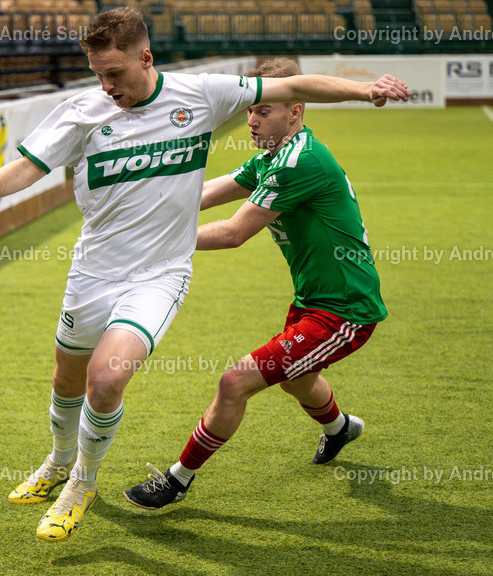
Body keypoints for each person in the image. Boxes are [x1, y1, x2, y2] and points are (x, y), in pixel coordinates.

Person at [0, 8, 408, 542]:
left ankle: (85, 484)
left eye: (115, 73)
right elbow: (28, 167)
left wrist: (365, 89)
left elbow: (292, 90)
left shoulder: (201, 95)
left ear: (146, 57)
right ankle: (58, 461)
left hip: (163, 276)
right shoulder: (82, 111)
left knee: (110, 377)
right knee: (67, 377)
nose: (106, 85)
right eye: (97, 73)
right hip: (94, 270)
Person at [122, 57, 388, 510]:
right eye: (250, 110)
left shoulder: (297, 163)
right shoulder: (275, 156)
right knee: (297, 380)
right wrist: (149, 207)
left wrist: (157, 242)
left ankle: (177, 480)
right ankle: (341, 428)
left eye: (263, 110)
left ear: (295, 110)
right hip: (315, 300)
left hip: (345, 310)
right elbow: (214, 190)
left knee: (234, 382)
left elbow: (232, 234)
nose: (251, 119)